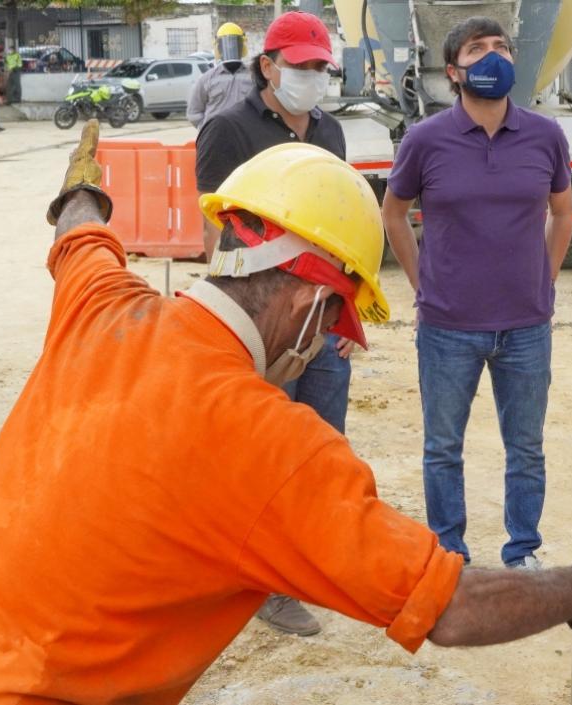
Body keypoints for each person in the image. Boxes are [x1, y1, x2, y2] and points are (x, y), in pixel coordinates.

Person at [0, 121, 572, 703]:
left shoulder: (104, 308)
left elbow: (82, 236)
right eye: (338, 321)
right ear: (305, 294)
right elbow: (453, 606)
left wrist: (81, 189)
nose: (333, 346)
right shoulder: (267, 443)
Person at [381, 16, 572, 570]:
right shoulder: (425, 140)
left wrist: (547, 277)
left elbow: (562, 213)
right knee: (443, 449)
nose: (493, 56)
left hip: (526, 327)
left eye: (502, 47)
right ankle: (449, 554)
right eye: (477, 49)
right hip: (448, 328)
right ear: (453, 71)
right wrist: (423, 285)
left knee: (527, 449)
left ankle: (522, 551)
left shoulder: (545, 136)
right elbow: (394, 214)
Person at [194, 10, 354, 637]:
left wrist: (342, 320)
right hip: (262, 323)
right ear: (268, 66)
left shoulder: (331, 133)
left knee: (320, 447)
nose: (313, 78)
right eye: (302, 67)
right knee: (262, 452)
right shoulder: (228, 129)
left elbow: (339, 227)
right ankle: (260, 583)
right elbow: (217, 231)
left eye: (321, 69)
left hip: (320, 314)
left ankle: (306, 565)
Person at [187, 22, 255, 128]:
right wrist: (207, 130)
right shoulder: (206, 79)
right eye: (226, 44)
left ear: (242, 45)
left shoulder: (254, 78)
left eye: (235, 43)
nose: (231, 47)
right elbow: (194, 113)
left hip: (246, 136)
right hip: (216, 138)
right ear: (218, 47)